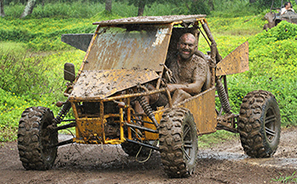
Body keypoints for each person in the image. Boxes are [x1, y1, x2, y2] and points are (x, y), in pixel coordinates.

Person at [165, 33, 208, 105]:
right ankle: (140, 115)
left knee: (179, 93)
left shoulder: (199, 63)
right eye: (184, 44)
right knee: (148, 89)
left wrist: (174, 87)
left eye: (190, 45)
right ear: (178, 45)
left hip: (190, 100)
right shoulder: (171, 58)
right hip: (169, 97)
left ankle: (166, 114)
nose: (186, 47)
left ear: (195, 48)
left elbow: (197, 87)